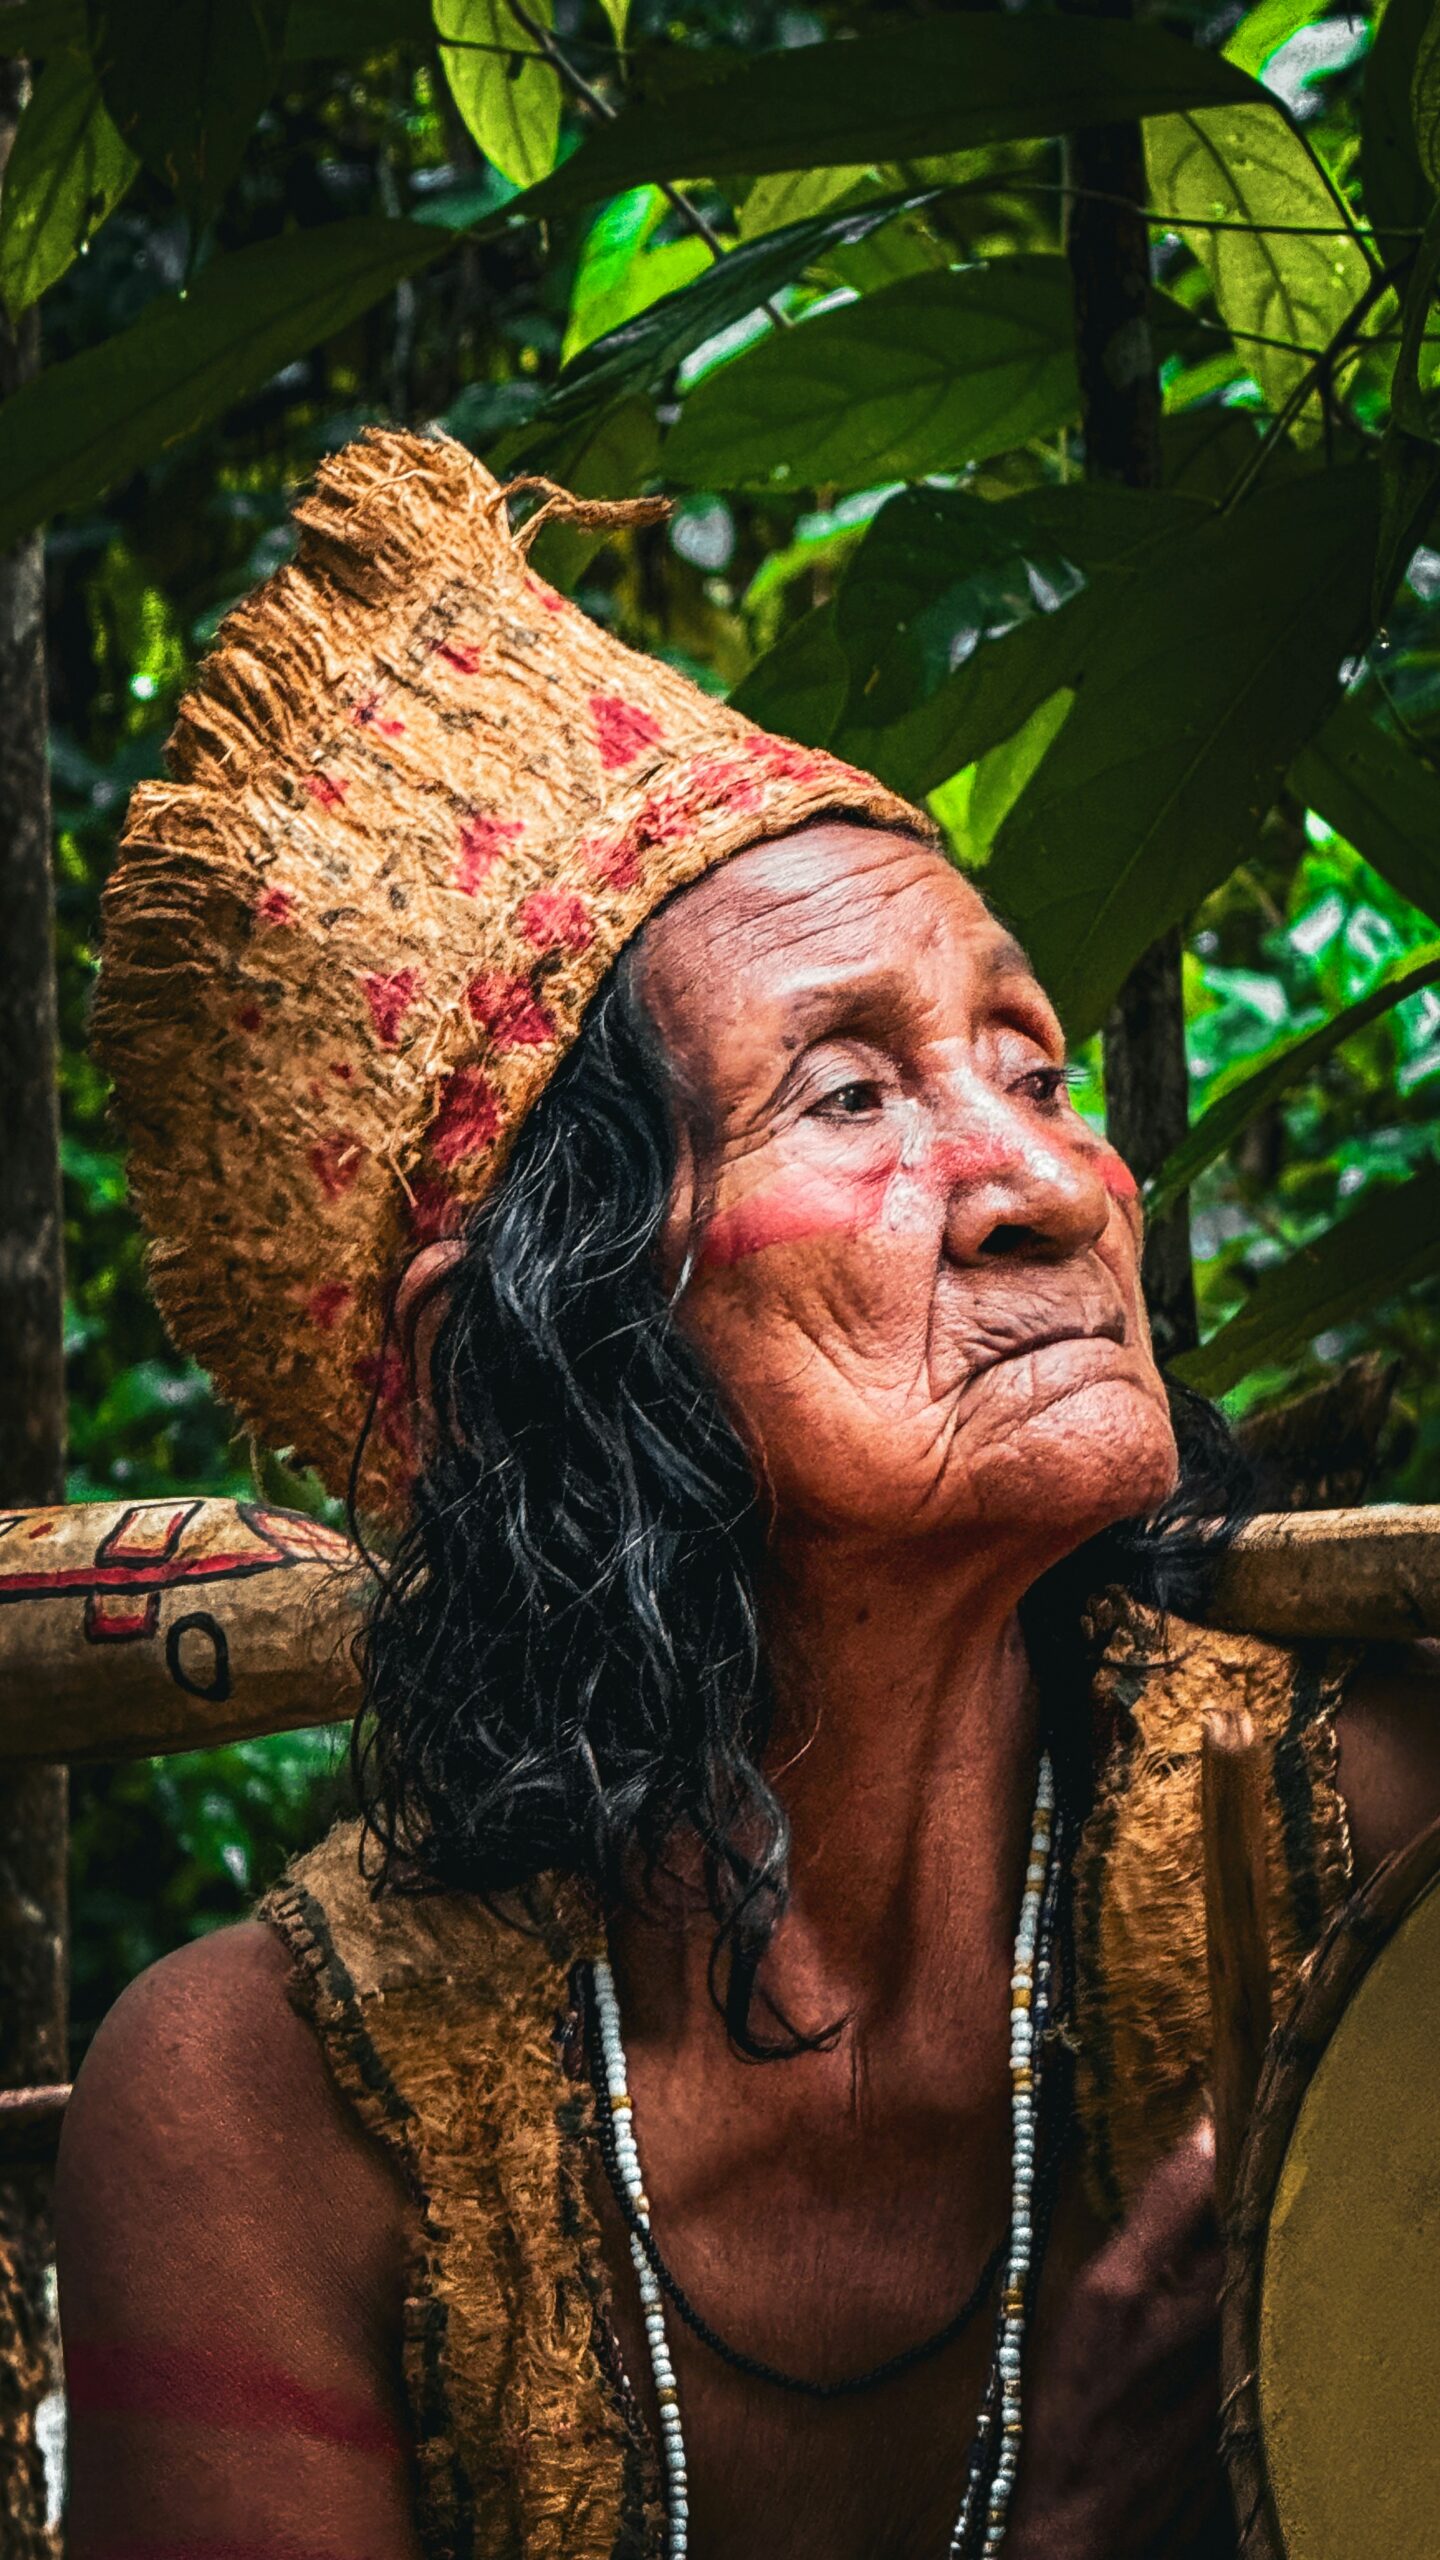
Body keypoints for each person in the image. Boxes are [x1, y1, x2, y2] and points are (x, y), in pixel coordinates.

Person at [56, 430, 1440, 2560]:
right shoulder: (264, 2119)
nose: (1056, 1185)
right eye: (856, 1091)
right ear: (507, 1355)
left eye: (1036, 1066)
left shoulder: (1376, 1859)